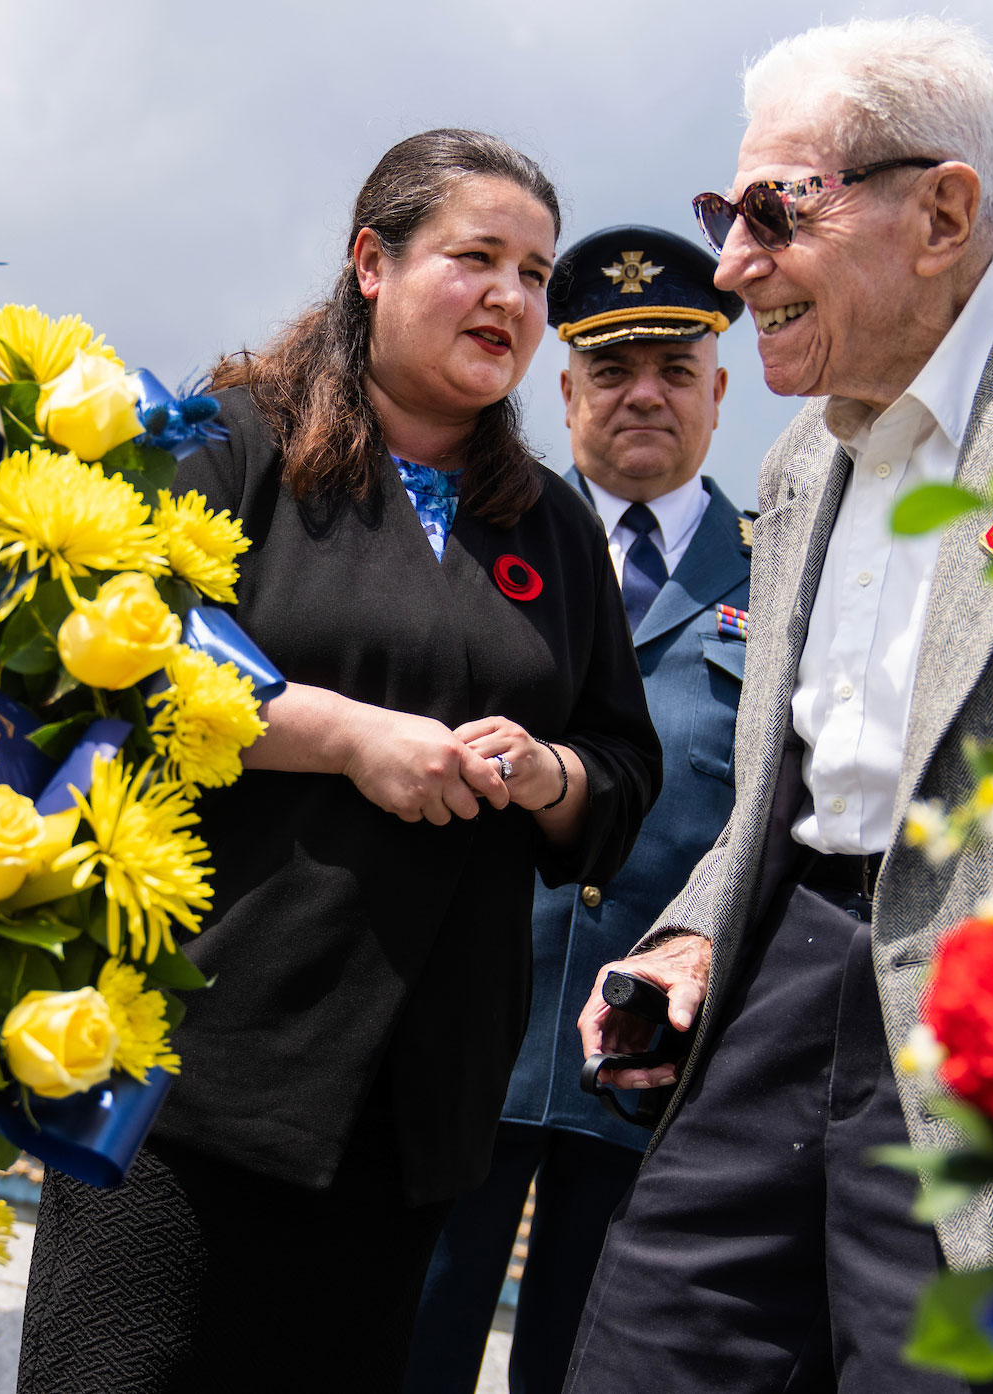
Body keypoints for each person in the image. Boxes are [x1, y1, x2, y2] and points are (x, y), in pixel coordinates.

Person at [564, 20, 993, 1394]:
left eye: (774, 211)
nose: (734, 262)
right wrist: (696, 935)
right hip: (782, 983)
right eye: (723, 212)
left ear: (941, 215)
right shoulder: (808, 458)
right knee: (643, 1362)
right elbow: (797, 788)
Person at [17, 129, 661, 1394]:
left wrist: (548, 774)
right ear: (371, 261)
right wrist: (343, 736)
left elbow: (622, 764)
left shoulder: (556, 523)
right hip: (188, 1061)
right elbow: (109, 660)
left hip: (412, 1104)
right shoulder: (228, 442)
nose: (512, 299)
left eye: (534, 275)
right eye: (476, 258)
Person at [405, 224, 750, 1394]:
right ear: (565, 389)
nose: (642, 394)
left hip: (664, 1073)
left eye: (672, 368)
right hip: (470, 1043)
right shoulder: (481, 544)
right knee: (412, 1353)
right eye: (610, 369)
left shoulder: (785, 571)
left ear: (720, 387)